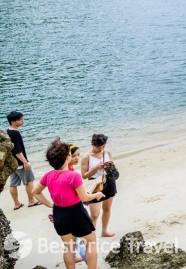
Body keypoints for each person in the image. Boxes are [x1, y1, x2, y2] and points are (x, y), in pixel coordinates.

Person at [34, 139, 105, 269]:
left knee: (69, 248)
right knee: (91, 243)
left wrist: (50, 204)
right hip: (76, 212)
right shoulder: (73, 176)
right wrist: (97, 194)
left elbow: (35, 192)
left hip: (59, 213)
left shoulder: (48, 175)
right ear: (68, 157)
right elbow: (84, 197)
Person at [80, 134, 116, 238]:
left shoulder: (107, 152)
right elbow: (84, 175)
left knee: (107, 208)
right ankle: (91, 237)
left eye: (103, 146)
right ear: (92, 144)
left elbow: (112, 170)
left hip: (108, 181)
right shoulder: (86, 157)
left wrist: (110, 165)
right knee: (94, 214)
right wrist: (96, 168)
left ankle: (104, 231)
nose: (101, 149)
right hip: (94, 184)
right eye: (98, 146)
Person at [6, 111, 39, 210]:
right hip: (20, 163)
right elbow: (18, 151)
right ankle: (31, 201)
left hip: (12, 163)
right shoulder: (15, 133)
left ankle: (17, 204)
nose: (22, 121)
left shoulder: (7, 131)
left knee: (13, 183)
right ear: (13, 121)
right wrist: (25, 162)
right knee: (29, 181)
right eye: (20, 119)